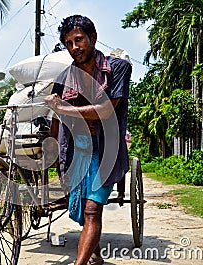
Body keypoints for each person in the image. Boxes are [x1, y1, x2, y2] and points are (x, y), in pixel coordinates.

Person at [44, 15, 132, 265]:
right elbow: (55, 117)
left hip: (106, 149)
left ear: (93, 38)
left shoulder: (118, 68)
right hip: (76, 150)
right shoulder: (64, 77)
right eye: (68, 43)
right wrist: (51, 149)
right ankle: (93, 249)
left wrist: (63, 108)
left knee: (93, 208)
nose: (74, 47)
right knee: (84, 208)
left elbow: (105, 110)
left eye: (79, 39)